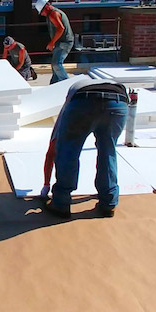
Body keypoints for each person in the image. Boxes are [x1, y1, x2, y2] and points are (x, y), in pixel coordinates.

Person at [39, 77, 129, 218]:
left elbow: (57, 134)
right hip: (118, 103)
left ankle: (61, 203)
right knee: (108, 151)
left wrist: (46, 185)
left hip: (84, 102)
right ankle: (109, 203)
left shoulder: (74, 91)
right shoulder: (112, 83)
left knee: (69, 151)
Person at [33, 0, 74, 84]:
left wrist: (52, 43)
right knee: (54, 64)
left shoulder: (53, 14)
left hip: (64, 42)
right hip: (61, 42)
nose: (42, 14)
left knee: (57, 64)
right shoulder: (52, 13)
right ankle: (54, 84)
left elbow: (60, 29)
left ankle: (67, 84)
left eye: (42, 12)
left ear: (46, 7)